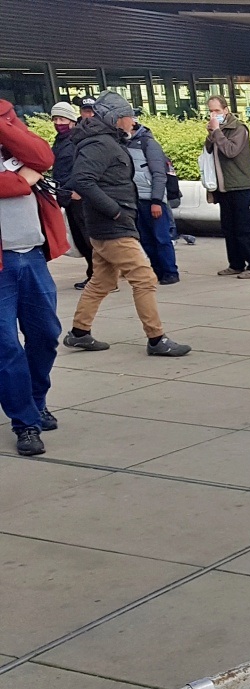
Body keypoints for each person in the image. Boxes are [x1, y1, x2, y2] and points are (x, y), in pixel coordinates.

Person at [60, 92, 191, 357]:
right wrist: (116, 212)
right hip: (112, 227)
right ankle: (156, 339)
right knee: (144, 278)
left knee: (102, 281)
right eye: (128, 116)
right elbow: (84, 181)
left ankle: (79, 333)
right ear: (115, 118)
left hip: (109, 224)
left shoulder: (105, 141)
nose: (132, 121)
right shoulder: (100, 144)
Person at [0, 99, 67, 457]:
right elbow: (23, 180)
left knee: (46, 335)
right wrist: (21, 180)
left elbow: (42, 158)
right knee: (5, 347)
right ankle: (24, 422)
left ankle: (35, 400)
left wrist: (4, 124)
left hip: (33, 256)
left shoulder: (12, 135)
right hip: (1, 265)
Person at [205, 96, 250, 279]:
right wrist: (210, 135)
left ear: (226, 110)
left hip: (238, 184)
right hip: (223, 186)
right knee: (228, 227)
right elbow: (209, 152)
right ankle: (236, 263)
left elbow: (230, 151)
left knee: (244, 226)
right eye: (211, 111)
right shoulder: (217, 130)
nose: (214, 115)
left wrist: (217, 132)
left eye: (217, 111)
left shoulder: (238, 128)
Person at [127, 116, 179, 285]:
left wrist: (156, 200)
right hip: (136, 200)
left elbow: (159, 174)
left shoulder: (148, 143)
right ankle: (157, 271)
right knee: (146, 239)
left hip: (153, 200)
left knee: (161, 238)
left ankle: (170, 272)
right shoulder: (123, 144)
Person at [49, 101, 93, 290]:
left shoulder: (76, 141)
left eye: (62, 119)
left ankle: (98, 276)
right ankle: (95, 273)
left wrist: (75, 190)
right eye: (55, 119)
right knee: (80, 239)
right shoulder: (59, 141)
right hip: (66, 195)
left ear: (72, 120)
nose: (59, 122)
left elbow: (80, 169)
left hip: (77, 196)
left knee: (88, 239)